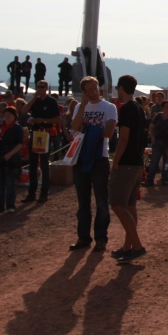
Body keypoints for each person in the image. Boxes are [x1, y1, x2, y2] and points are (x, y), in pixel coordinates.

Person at [69, 76, 118, 251]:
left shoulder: (109, 107)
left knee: (101, 201)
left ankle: (101, 238)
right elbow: (74, 127)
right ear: (83, 91)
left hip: (100, 157)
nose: (93, 92)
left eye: (94, 88)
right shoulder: (79, 108)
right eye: (88, 89)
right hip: (80, 157)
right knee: (83, 202)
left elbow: (109, 132)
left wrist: (88, 130)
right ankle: (83, 237)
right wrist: (82, 105)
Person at [108, 75, 147, 264]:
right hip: (137, 162)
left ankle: (137, 246)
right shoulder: (139, 108)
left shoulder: (126, 109)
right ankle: (128, 246)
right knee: (130, 206)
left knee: (117, 204)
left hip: (127, 163)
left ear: (121, 88)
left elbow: (123, 138)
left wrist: (116, 161)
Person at [22, 81, 60, 203]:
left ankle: (44, 192)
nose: (39, 89)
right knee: (32, 164)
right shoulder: (36, 101)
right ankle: (31, 192)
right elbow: (24, 111)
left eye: (42, 87)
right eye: (38, 87)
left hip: (45, 133)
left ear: (46, 88)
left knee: (44, 164)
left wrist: (42, 120)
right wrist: (34, 97)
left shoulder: (51, 102)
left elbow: (58, 118)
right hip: (34, 133)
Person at [0, 107, 24, 213]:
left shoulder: (17, 128)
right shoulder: (0, 127)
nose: (7, 117)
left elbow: (20, 144)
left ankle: (10, 205)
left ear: (14, 116)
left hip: (12, 158)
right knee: (0, 183)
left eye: (9, 115)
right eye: (5, 115)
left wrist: (10, 154)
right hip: (0, 157)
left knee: (11, 183)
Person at [145, 100, 168, 186]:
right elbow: (151, 127)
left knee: (167, 162)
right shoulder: (157, 116)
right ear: (163, 107)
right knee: (154, 161)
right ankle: (150, 180)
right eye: (167, 106)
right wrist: (152, 137)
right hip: (157, 142)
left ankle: (165, 179)